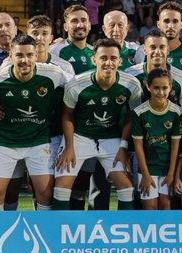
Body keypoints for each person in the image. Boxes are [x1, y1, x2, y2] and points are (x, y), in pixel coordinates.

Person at [54, 38, 143, 210]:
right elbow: (67, 115)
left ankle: (123, 231)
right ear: (94, 59)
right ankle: (60, 232)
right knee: (61, 187)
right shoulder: (76, 84)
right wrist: (69, 146)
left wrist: (123, 146)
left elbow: (132, 116)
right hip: (80, 136)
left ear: (120, 60)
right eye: (103, 58)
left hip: (111, 138)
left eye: (113, 58)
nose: (108, 62)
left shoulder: (131, 85)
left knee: (126, 187)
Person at [0, 34, 68, 212]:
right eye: (19, 55)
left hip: (38, 142)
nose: (25, 60)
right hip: (4, 142)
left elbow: (76, 88)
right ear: (11, 56)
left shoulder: (54, 74)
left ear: (36, 55)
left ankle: (45, 238)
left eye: (29, 55)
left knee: (45, 193)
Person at [131, 69, 182, 210]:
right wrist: (146, 175)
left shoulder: (176, 112)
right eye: (156, 88)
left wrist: (171, 173)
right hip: (148, 168)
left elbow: (175, 145)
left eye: (165, 88)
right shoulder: (139, 113)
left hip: (167, 168)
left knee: (166, 206)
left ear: (170, 87)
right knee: (150, 208)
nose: (161, 92)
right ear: (148, 87)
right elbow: (138, 146)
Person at [125, 28, 182, 106]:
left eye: (162, 47)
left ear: (168, 50)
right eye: (153, 47)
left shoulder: (181, 79)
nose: (157, 52)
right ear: (145, 50)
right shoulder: (130, 75)